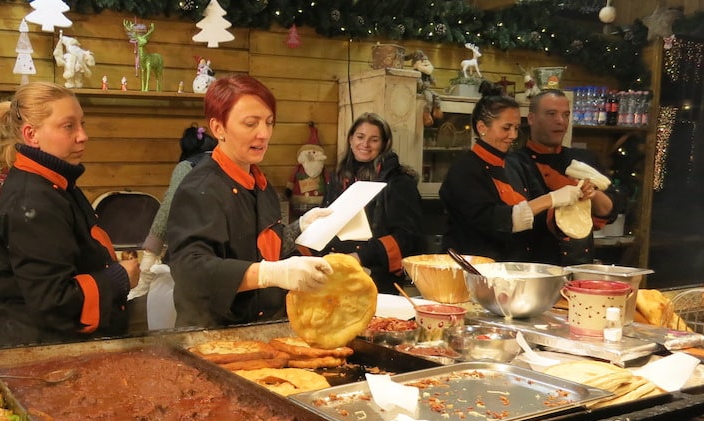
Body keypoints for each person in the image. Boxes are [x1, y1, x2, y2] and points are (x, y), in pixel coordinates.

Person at [166, 74, 332, 328]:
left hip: (262, 328)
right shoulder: (199, 189)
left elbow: (255, 246)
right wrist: (268, 274)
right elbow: (191, 270)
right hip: (213, 334)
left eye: (269, 122)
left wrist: (299, 229)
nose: (264, 134)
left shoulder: (259, 183)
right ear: (218, 128)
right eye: (250, 123)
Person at [0, 82, 139, 345]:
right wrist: (119, 278)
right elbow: (52, 300)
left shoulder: (57, 183)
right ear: (31, 135)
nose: (83, 135)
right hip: (41, 353)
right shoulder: (32, 201)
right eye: (69, 126)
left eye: (82, 124)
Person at [439, 81, 584, 262]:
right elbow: (491, 221)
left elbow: (538, 220)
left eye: (516, 127)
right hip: (473, 271)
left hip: (511, 271)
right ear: (482, 127)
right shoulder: (465, 170)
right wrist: (551, 198)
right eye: (506, 128)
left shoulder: (517, 165)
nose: (514, 135)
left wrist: (573, 204)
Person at [510, 89, 619, 265]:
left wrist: (592, 193)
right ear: (531, 119)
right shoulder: (514, 163)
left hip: (582, 266)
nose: (560, 121)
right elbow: (513, 219)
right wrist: (560, 194)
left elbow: (612, 209)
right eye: (551, 114)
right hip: (534, 267)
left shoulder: (584, 159)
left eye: (565, 115)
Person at [322, 113, 423, 293]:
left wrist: (360, 256)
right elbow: (326, 224)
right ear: (351, 139)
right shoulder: (338, 178)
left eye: (374, 140)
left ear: (384, 144)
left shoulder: (399, 182)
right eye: (360, 137)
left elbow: (407, 237)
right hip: (337, 274)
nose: (365, 145)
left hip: (379, 280)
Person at [129, 125, 218, 299]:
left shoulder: (187, 166)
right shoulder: (224, 166)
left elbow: (168, 207)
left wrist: (148, 260)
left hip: (193, 256)